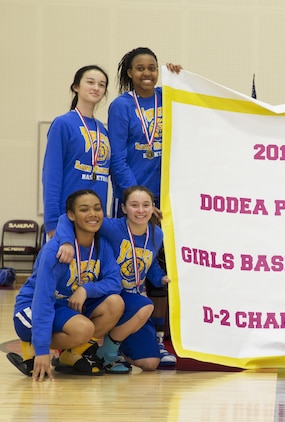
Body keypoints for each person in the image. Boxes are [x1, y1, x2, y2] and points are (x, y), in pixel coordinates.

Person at [108, 47, 181, 366]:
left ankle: (162, 340)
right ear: (129, 73)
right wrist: (138, 200)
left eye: (152, 67)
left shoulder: (170, 97)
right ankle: (122, 336)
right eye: (140, 68)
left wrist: (180, 78)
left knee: (161, 273)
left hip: (168, 202)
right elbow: (117, 158)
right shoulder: (121, 106)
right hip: (136, 203)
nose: (147, 73)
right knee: (133, 269)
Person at [7, 190, 124, 380]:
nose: (93, 214)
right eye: (84, 209)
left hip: (64, 307)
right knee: (84, 329)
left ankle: (72, 355)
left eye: (97, 208)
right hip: (32, 308)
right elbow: (42, 300)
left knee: (115, 303)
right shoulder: (56, 250)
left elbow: (114, 281)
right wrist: (43, 350)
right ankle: (32, 347)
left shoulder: (102, 245)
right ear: (71, 215)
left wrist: (87, 289)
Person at [56, 185, 171, 372]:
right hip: (108, 295)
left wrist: (161, 279)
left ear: (153, 207)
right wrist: (67, 242)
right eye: (134, 205)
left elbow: (149, 266)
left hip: (132, 300)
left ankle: (117, 346)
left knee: (150, 363)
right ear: (124, 208)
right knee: (145, 304)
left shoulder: (157, 234)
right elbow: (65, 218)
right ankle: (107, 353)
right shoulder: (111, 227)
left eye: (145, 205)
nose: (141, 210)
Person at [42, 66, 111, 239]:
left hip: (95, 222)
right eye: (90, 82)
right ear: (76, 87)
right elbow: (51, 176)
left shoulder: (103, 129)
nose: (96, 87)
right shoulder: (62, 124)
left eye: (101, 85)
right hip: (67, 220)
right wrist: (52, 222)